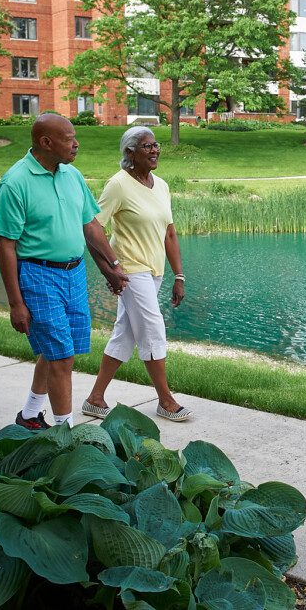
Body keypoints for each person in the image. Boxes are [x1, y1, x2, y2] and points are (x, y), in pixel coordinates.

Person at [0, 113, 128, 429]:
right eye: (69, 138)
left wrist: (113, 265)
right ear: (46, 142)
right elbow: (5, 247)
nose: (76, 144)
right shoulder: (15, 183)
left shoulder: (72, 175)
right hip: (38, 275)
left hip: (74, 273)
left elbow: (91, 225)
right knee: (61, 356)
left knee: (58, 350)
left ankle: (29, 415)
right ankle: (65, 432)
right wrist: (15, 303)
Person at [82, 126, 191, 422]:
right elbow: (92, 226)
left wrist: (178, 276)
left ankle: (94, 398)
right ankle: (165, 400)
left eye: (156, 145)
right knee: (153, 330)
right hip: (130, 271)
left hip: (154, 272)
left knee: (125, 334)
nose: (155, 150)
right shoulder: (118, 184)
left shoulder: (162, 185)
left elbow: (169, 233)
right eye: (146, 146)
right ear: (130, 153)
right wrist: (111, 268)